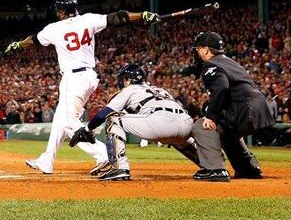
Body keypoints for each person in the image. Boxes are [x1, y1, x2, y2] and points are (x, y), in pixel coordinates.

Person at [6, 0, 160, 175]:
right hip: (88, 76)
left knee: (69, 123)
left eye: (58, 9)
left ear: (61, 11)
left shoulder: (54, 28)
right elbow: (118, 17)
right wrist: (143, 15)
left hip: (73, 79)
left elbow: (32, 41)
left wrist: (17, 45)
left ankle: (105, 155)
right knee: (59, 120)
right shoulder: (88, 19)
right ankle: (47, 160)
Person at [72, 64, 199, 181]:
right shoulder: (159, 90)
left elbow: (104, 114)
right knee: (179, 139)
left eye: (123, 79)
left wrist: (87, 129)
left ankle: (119, 168)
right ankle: (209, 166)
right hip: (186, 123)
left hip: (160, 122)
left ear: (127, 80)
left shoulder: (130, 89)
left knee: (113, 118)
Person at [186, 32, 275, 181]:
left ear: (206, 50)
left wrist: (211, 116)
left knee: (202, 126)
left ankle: (215, 170)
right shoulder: (229, 62)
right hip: (260, 112)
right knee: (226, 132)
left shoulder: (211, 64)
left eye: (199, 48)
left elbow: (221, 87)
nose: (197, 52)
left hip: (246, 112)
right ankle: (248, 169)